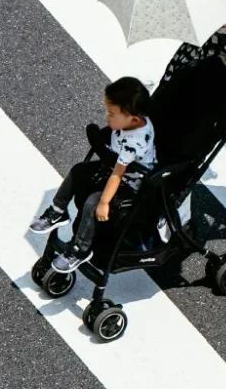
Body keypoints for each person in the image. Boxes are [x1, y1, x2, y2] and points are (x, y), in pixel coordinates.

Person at [29, 77, 157, 274]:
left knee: (93, 203)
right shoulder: (130, 120)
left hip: (129, 183)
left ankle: (81, 248)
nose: (107, 117)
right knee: (78, 170)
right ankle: (58, 210)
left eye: (111, 114)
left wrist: (105, 202)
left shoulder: (134, 143)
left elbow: (117, 174)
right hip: (113, 164)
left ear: (133, 119)